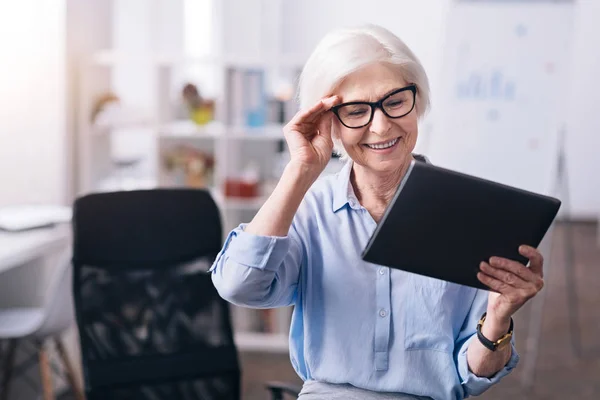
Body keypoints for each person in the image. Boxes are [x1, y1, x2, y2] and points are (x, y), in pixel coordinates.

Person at [210, 24, 545, 400]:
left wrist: (498, 318)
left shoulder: (467, 214)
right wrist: (300, 170)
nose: (381, 125)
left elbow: (472, 375)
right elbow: (239, 286)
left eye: (396, 102)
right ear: (329, 122)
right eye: (355, 111)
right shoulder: (309, 209)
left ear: (417, 102)